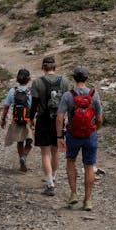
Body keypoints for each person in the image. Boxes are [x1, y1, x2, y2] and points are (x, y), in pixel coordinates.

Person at [56, 65, 103, 211]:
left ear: (74, 78)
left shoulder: (68, 95)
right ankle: (88, 200)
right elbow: (100, 118)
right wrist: (96, 129)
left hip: (73, 134)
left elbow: (59, 118)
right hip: (90, 135)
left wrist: (59, 136)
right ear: (87, 78)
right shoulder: (94, 94)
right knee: (89, 166)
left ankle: (73, 193)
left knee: (71, 161)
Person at [29, 55, 70, 196]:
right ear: (55, 67)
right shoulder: (64, 82)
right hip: (59, 120)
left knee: (45, 153)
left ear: (43, 68)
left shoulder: (37, 82)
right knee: (55, 151)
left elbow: (34, 104)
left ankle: (49, 184)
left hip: (43, 119)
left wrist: (30, 119)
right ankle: (53, 177)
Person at [0, 68, 33, 172]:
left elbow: (6, 107)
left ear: (18, 79)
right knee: (29, 141)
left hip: (16, 120)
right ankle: (24, 156)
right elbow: (34, 108)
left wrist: (3, 119)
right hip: (28, 120)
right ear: (28, 79)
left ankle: (21, 163)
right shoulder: (30, 91)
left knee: (20, 141)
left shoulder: (12, 91)